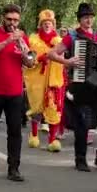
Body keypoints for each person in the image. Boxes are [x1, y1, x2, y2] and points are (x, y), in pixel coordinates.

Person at [47, 3, 97, 172]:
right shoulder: (72, 37)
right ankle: (81, 159)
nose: (89, 20)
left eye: (91, 17)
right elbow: (52, 53)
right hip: (79, 85)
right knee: (82, 123)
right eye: (85, 17)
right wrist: (67, 62)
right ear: (80, 19)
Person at [0, 4, 34, 181]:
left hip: (15, 91)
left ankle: (13, 168)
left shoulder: (22, 37)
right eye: (9, 19)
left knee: (15, 130)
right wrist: (7, 41)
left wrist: (26, 54)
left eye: (16, 20)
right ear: (3, 17)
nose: (12, 23)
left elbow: (31, 63)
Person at [25, 9, 64, 152]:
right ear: (40, 25)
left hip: (53, 79)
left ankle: (52, 140)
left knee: (53, 108)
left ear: (53, 25)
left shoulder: (59, 41)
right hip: (37, 79)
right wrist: (40, 58)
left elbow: (62, 59)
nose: (47, 25)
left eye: (50, 23)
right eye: (45, 23)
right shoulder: (33, 39)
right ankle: (34, 135)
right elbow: (29, 58)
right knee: (36, 107)